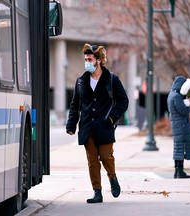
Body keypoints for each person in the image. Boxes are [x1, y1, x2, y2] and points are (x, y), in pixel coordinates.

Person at [66, 43, 129, 203]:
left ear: (98, 61)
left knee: (106, 157)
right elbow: (75, 105)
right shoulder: (81, 81)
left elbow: (123, 101)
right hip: (87, 126)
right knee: (92, 161)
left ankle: (112, 178)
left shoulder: (111, 79)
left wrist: (112, 117)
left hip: (105, 126)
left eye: (89, 59)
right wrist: (71, 124)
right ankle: (97, 192)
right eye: (85, 59)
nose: (86, 62)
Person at [167, 76, 190, 178]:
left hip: (177, 126)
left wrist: (186, 101)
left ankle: (178, 171)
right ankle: (180, 172)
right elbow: (183, 111)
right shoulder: (176, 96)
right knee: (181, 149)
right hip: (181, 126)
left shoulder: (171, 95)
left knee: (178, 148)